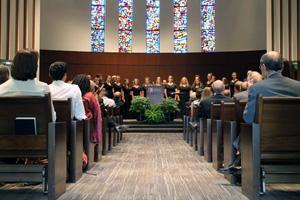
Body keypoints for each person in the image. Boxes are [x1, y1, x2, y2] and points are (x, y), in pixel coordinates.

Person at [243, 51, 300, 124]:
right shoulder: (298, 86)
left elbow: (248, 119)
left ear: (263, 67)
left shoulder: (255, 88)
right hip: (295, 134)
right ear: (282, 67)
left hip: (264, 135)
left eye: (260, 67)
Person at [0, 50, 56, 121]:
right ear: (35, 67)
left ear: (14, 65)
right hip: (38, 132)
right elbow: (52, 118)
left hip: (6, 131)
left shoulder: (2, 89)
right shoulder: (43, 88)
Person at [72, 74, 102, 144]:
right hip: (87, 128)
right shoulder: (89, 96)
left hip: (72, 125)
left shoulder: (71, 94)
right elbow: (97, 113)